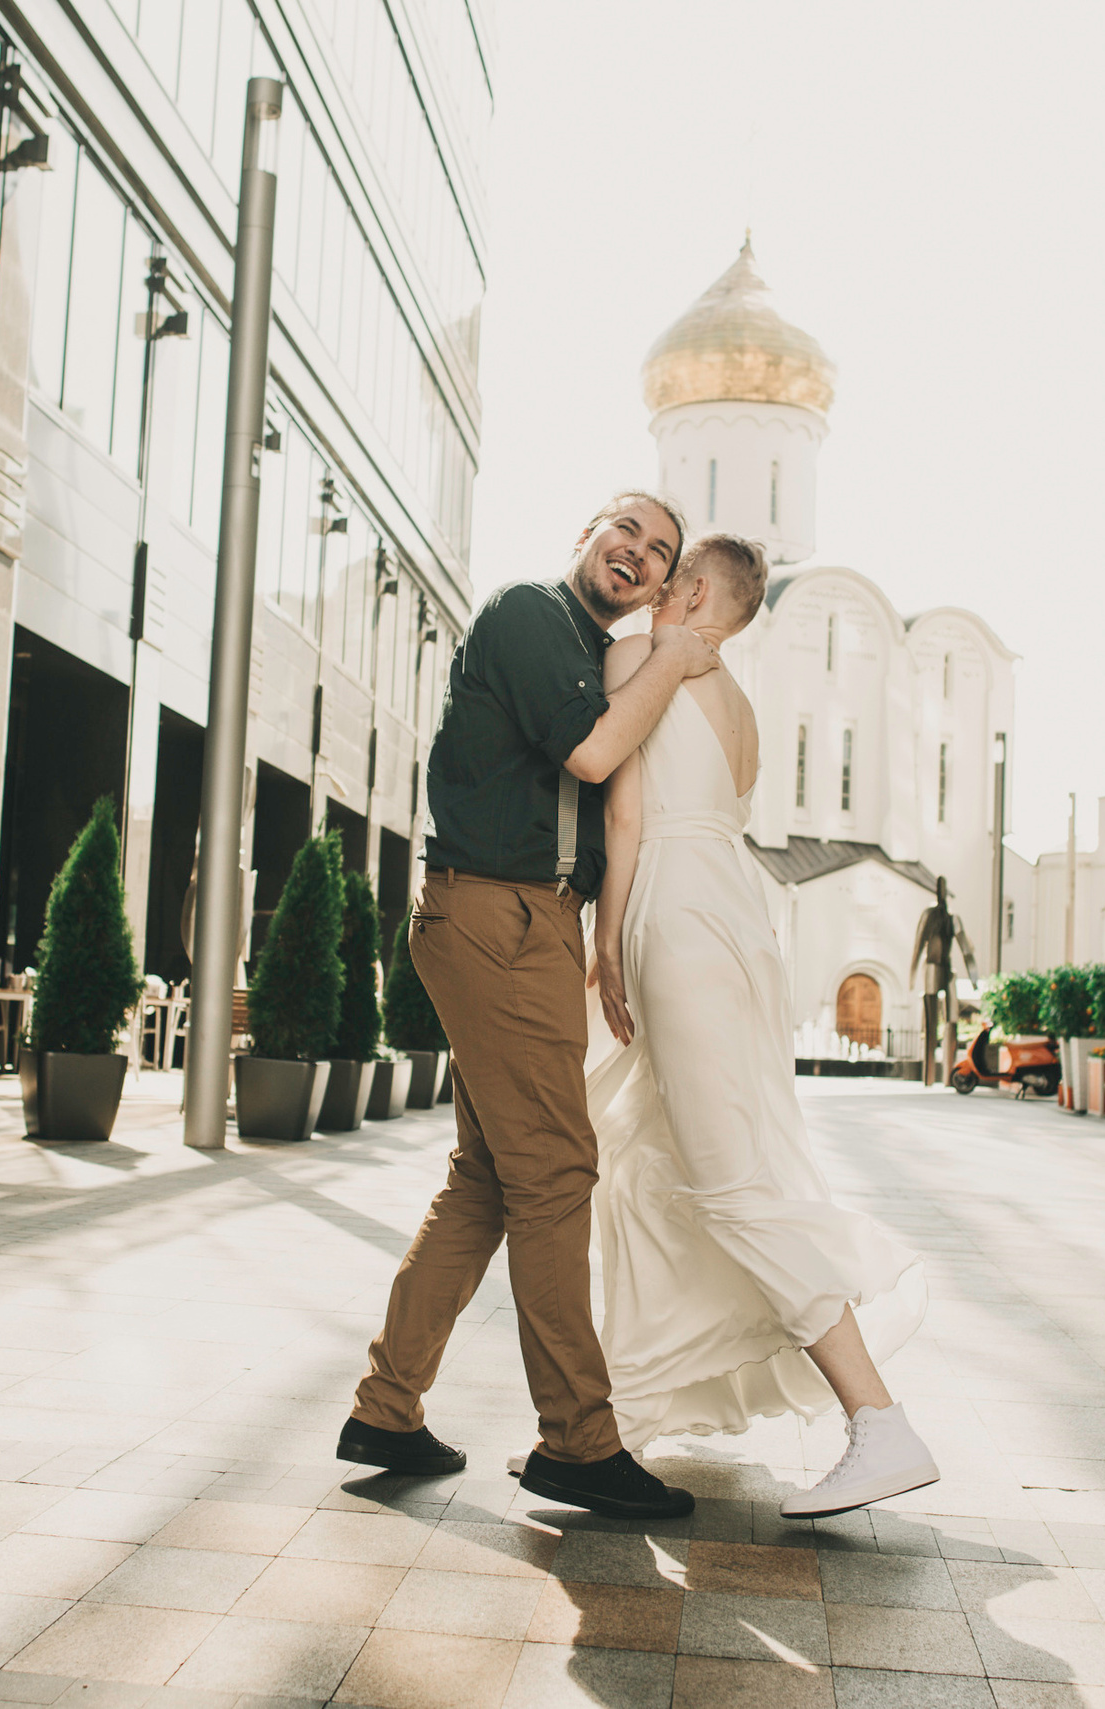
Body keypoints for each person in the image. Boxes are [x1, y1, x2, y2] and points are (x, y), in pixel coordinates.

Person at [338, 492, 718, 1521]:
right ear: (586, 534)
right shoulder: (527, 614)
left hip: (528, 920)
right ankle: (578, 1441)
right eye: (626, 531)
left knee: (488, 1178)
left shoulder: (586, 648)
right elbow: (591, 754)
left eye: (660, 551)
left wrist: (600, 930)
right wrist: (676, 656)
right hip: (497, 916)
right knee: (555, 1171)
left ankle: (386, 1408)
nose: (638, 555)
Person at [585, 533, 940, 1518]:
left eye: (666, 577)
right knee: (671, 1161)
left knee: (728, 1181)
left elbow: (625, 812)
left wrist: (606, 938)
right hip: (738, 920)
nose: (650, 590)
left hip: (676, 913)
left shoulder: (642, 657)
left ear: (695, 589)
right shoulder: (739, 704)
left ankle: (878, 1419)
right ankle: (621, 1414)